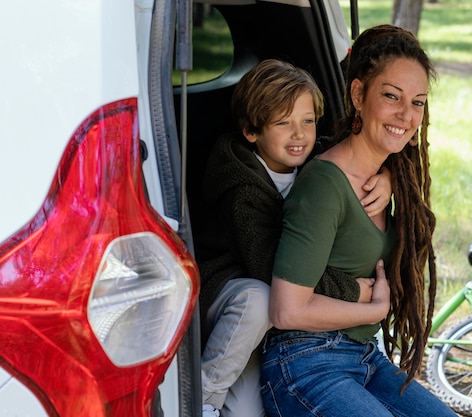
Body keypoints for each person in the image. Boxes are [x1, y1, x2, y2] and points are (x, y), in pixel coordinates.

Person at [260, 25, 458, 417]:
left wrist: (390, 181)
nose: (406, 114)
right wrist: (373, 310)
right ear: (357, 95)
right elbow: (287, 310)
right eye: (391, 96)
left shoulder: (386, 177)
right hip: (303, 362)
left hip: (365, 358)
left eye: (417, 102)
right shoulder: (323, 185)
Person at [194, 59, 392, 417]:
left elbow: (358, 154)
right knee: (260, 298)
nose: (299, 134)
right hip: (226, 292)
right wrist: (351, 290)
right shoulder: (239, 186)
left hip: (276, 319)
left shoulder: (318, 158)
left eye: (308, 121)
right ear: (252, 131)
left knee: (246, 413)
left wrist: (387, 176)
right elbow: (268, 264)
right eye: (283, 123)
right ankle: (202, 398)